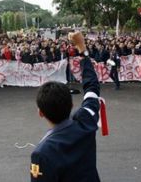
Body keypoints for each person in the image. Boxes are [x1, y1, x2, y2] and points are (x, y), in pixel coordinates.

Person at [30, 32, 101, 182]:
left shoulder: (42, 152)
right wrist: (82, 48)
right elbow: (92, 88)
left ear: (40, 113)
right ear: (72, 104)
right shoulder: (85, 120)